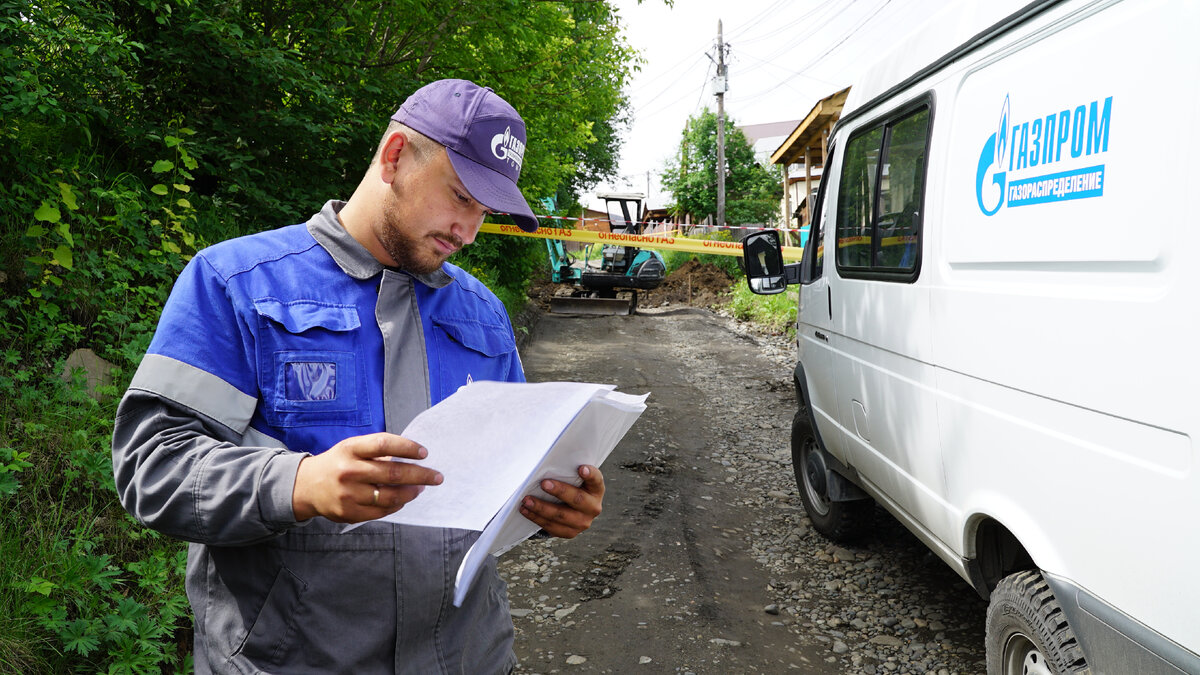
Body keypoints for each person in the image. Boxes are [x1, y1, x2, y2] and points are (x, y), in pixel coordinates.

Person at [111, 79, 606, 674]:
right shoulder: (235, 283)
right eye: (459, 196)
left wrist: (551, 506)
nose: (469, 230)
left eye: (484, 210)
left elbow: (505, 478)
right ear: (395, 156)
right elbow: (151, 466)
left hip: (468, 659)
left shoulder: (484, 314)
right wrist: (299, 483)